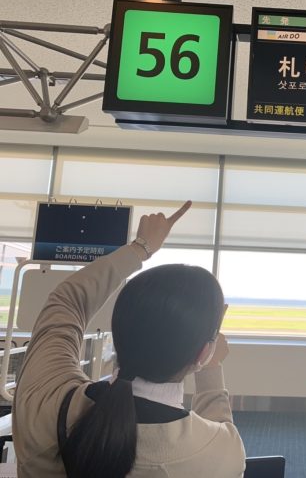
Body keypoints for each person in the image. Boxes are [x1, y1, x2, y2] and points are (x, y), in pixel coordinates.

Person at [13, 202, 246, 478]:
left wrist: (141, 247)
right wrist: (210, 365)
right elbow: (217, 434)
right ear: (202, 353)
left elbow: (67, 301)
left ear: (120, 328)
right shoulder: (221, 453)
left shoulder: (45, 397)